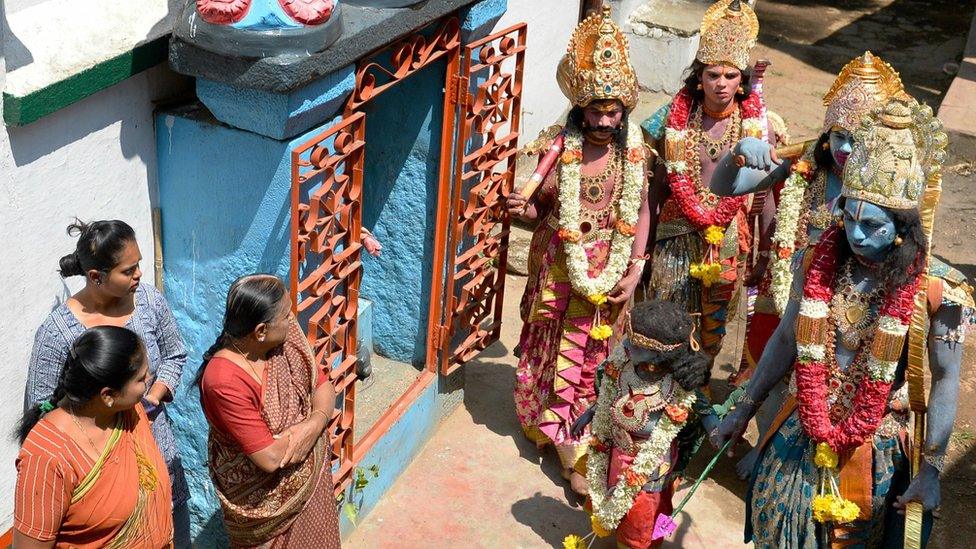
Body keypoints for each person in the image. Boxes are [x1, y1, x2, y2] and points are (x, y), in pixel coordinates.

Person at [713, 97, 972, 547]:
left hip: (874, 443)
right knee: (776, 525)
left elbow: (947, 379)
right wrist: (745, 407)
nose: (855, 234)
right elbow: (786, 338)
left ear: (904, 229)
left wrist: (932, 471)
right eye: (848, 216)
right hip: (800, 422)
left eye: (872, 226)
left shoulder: (939, 291)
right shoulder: (820, 259)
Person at [709, 51, 906, 478]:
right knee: (771, 370)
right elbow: (722, 186)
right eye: (838, 136)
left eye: (858, 139)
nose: (846, 149)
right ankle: (765, 446)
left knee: (825, 387)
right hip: (788, 289)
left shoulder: (890, 191)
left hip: (849, 303)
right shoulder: (803, 165)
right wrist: (738, 154)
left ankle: (782, 457)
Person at [505, 6, 651, 496]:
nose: (605, 120)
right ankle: (559, 437)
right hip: (559, 267)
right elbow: (538, 210)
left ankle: (580, 442)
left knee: (598, 352)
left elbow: (643, 213)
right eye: (595, 111)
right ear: (578, 109)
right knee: (551, 347)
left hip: (611, 270)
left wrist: (634, 270)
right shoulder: (557, 147)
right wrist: (515, 211)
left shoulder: (636, 153)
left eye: (613, 112)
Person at [24, 219, 190, 546]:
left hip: (156, 444)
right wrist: (96, 435)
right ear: (96, 277)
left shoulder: (148, 301)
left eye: (139, 264)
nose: (139, 275)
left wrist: (151, 396)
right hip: (98, 471)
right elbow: (41, 407)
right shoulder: (58, 333)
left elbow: (176, 354)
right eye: (128, 271)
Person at [640, 0, 772, 361]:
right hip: (674, 232)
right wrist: (638, 252)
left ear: (742, 83)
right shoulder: (668, 118)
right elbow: (649, 185)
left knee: (714, 324)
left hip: (728, 237)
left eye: (730, 76)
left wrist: (764, 252)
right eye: (713, 75)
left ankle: (696, 392)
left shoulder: (759, 126)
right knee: (665, 318)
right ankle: (663, 389)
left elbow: (767, 191)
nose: (721, 84)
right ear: (699, 79)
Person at [197, 274, 340, 548]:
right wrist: (311, 427)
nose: (292, 319)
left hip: (310, 491)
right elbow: (270, 458)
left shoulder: (282, 344)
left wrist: (313, 423)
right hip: (264, 513)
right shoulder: (224, 381)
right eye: (286, 315)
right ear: (260, 330)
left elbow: (323, 388)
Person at [14, 326, 174, 548]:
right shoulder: (48, 456)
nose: (150, 378)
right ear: (107, 395)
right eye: (140, 379)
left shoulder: (127, 410)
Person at [572, 300, 711, 548]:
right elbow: (608, 395)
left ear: (659, 354)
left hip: (649, 467)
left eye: (635, 344)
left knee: (642, 520)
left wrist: (723, 427)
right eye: (628, 338)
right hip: (615, 451)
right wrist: (591, 412)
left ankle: (640, 541)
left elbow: (706, 415)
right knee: (609, 497)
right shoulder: (621, 364)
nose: (626, 344)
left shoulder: (679, 387)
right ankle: (613, 526)